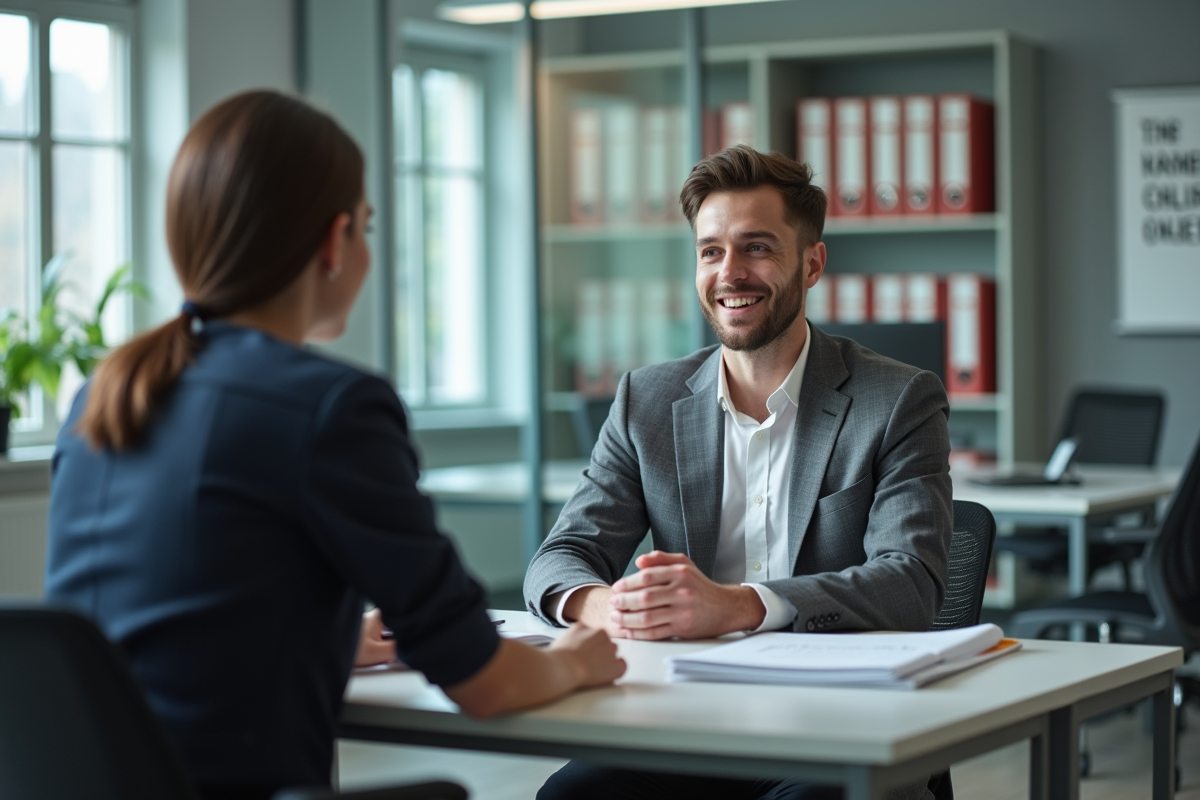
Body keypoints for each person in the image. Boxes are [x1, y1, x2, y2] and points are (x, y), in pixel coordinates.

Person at [44, 90, 624, 800]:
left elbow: (152, 632)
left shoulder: (104, 395)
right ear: (334, 239)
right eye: (368, 229)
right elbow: (486, 681)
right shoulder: (329, 407)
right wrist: (572, 661)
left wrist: (321, 640)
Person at [525, 145, 952, 800]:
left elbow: (911, 582)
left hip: (838, 727)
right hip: (685, 724)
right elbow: (562, 555)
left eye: (756, 248)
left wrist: (737, 607)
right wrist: (607, 605)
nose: (730, 273)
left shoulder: (896, 400)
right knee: (570, 796)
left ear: (812, 263)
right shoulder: (649, 401)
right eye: (711, 251)